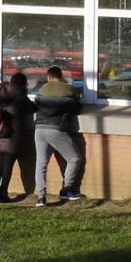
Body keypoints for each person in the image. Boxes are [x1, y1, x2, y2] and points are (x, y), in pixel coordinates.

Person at [33, 65, 84, 206]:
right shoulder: (68, 88)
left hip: (39, 128)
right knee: (74, 158)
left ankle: (41, 197)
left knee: (41, 163)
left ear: (48, 77)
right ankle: (67, 189)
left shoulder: (42, 89)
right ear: (61, 76)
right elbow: (77, 108)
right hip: (56, 128)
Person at [0, 72, 36, 202]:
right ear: (23, 84)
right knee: (8, 164)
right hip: (12, 133)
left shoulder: (2, 93)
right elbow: (33, 108)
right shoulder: (21, 96)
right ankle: (3, 191)